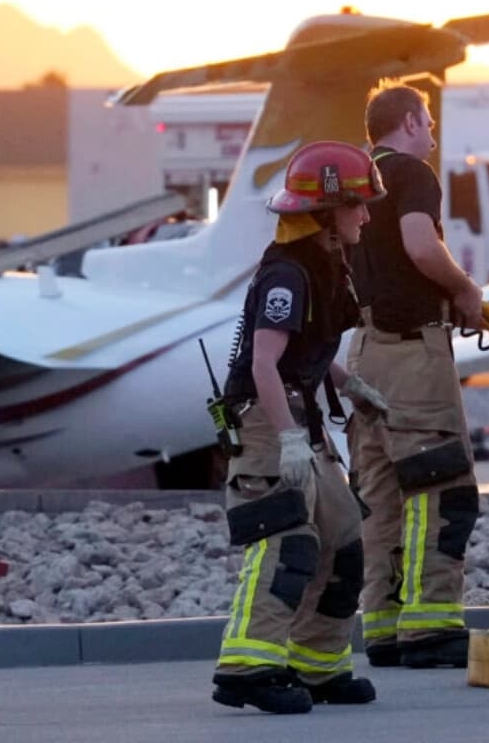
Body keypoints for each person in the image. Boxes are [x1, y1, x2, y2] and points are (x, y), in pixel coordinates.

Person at [212, 140, 390, 715]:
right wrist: (288, 438)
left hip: (300, 415)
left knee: (342, 541)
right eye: (357, 205)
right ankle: (247, 668)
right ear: (326, 211)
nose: (365, 214)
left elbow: (304, 354)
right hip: (270, 422)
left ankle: (317, 664)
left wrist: (351, 385)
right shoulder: (288, 273)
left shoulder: (322, 262)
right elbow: (264, 364)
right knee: (286, 542)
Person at [346, 83, 483, 670]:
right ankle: (430, 627)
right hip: (411, 355)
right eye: (426, 121)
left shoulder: (351, 181)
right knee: (439, 486)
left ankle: (381, 626)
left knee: (379, 497)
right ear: (406, 122)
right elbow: (421, 247)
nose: (431, 132)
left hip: (362, 354)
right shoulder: (412, 173)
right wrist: (466, 290)